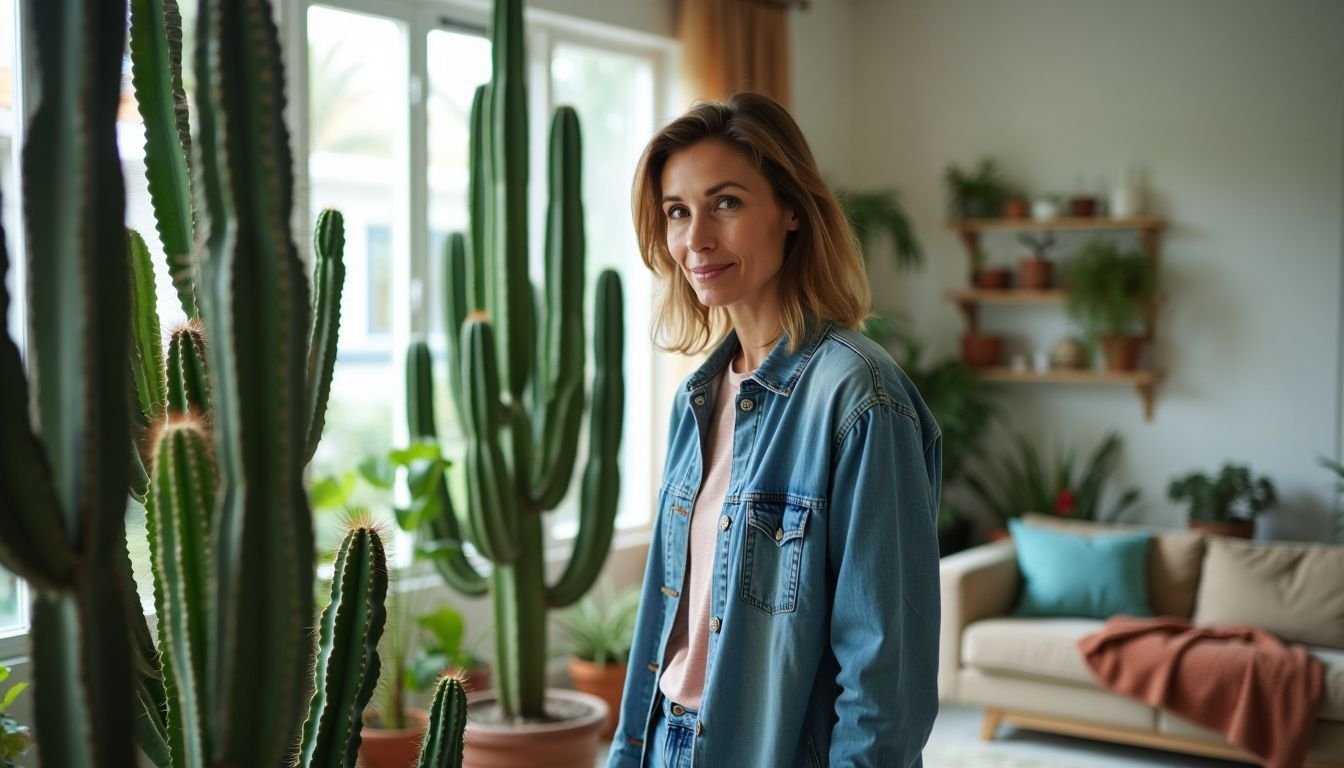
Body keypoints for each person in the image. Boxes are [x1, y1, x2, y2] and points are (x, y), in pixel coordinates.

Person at [606, 91, 942, 768]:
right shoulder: (696, 399)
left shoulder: (861, 399)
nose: (695, 239)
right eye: (677, 212)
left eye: (725, 203)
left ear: (791, 210)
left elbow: (885, 678)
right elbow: (667, 622)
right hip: (667, 741)